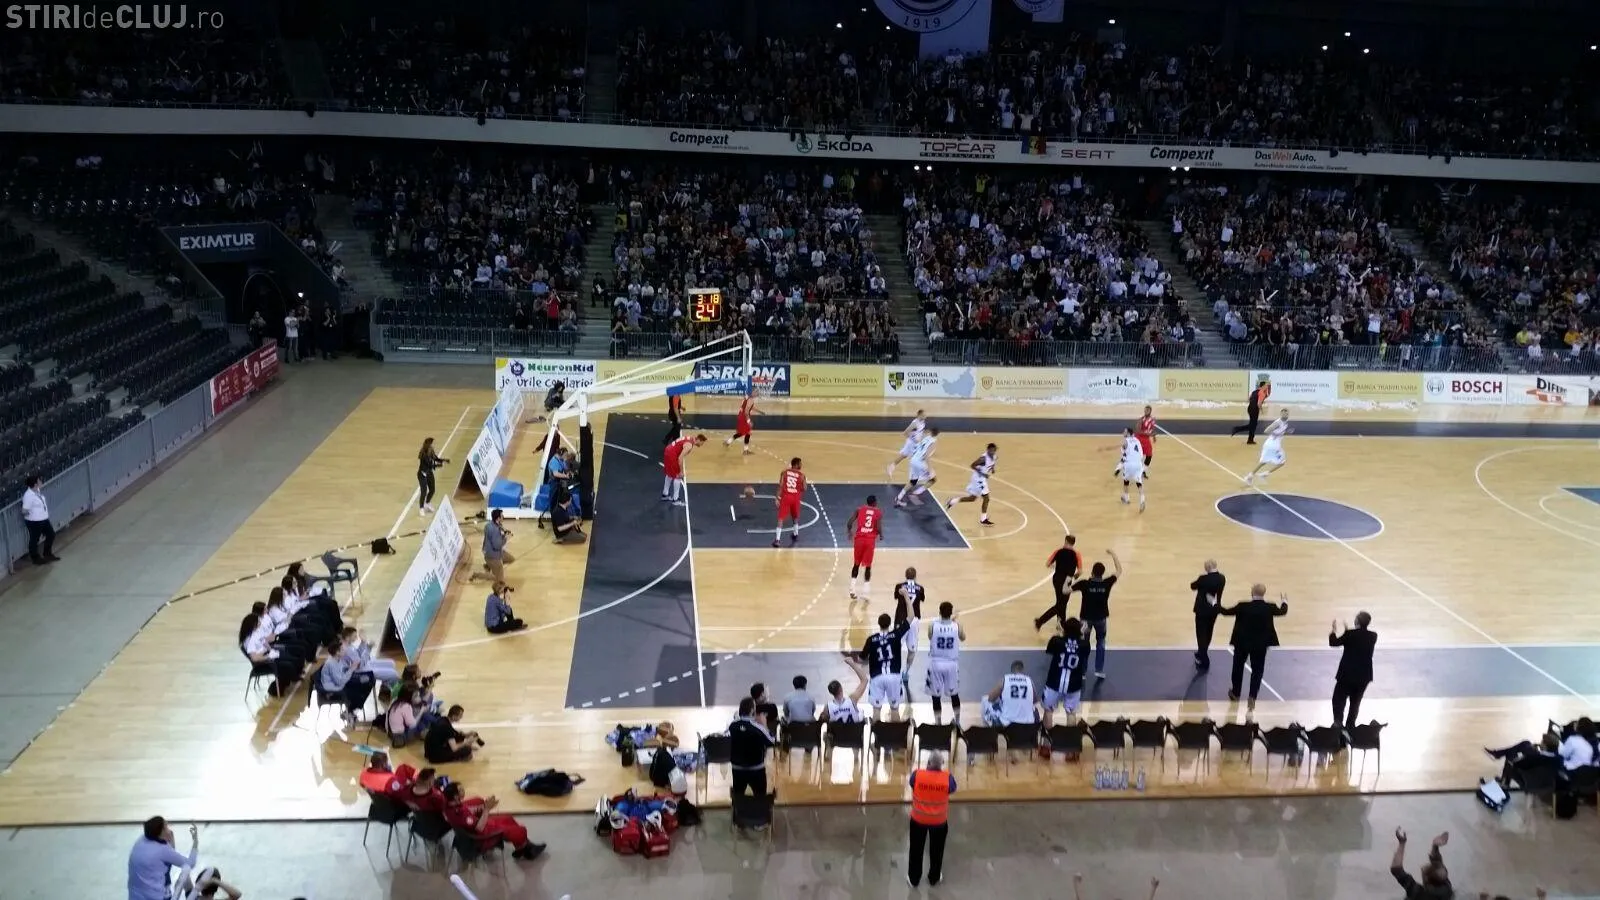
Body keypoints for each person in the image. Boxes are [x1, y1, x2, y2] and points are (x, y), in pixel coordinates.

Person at [1215, 584, 1289, 707]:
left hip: (1241, 643)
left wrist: (1214, 603)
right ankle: (1252, 697)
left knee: (1237, 668)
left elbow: (1226, 612)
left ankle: (1235, 693)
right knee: (1257, 671)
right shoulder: (1269, 607)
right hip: (1260, 645)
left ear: (1252, 592)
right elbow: (1283, 611)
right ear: (1263, 593)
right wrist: (1284, 601)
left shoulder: (1242, 606)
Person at [441, 781, 547, 860]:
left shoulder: (449, 806)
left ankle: (522, 847)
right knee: (520, 830)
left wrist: (482, 807)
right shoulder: (460, 814)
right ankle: (527, 850)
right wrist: (487, 809)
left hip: (474, 829)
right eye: (460, 790)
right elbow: (479, 828)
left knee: (507, 818)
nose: (463, 790)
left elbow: (466, 810)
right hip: (481, 837)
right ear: (455, 796)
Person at [1066, 549, 1122, 680]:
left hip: (1085, 619)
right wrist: (1114, 555)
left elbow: (1065, 591)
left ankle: (1082, 672)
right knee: (1101, 643)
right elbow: (1119, 570)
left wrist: (1068, 580)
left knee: (1083, 643)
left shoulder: (1084, 583)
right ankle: (1099, 670)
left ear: (1092, 572)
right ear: (1102, 573)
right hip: (1101, 619)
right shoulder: (1107, 583)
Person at [906, 751, 956, 888]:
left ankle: (914, 879)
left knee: (916, 849)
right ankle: (934, 877)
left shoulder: (917, 775)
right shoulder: (948, 778)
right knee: (937, 850)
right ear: (941, 765)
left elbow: (911, 783)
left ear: (928, 763)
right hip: (939, 822)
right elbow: (952, 789)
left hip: (918, 820)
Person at [127, 816, 198, 900]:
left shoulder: (141, 840)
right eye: (166, 827)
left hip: (134, 896)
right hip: (156, 897)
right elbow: (190, 864)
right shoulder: (162, 850)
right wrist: (195, 841)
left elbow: (168, 857)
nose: (169, 830)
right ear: (161, 832)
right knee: (186, 873)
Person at [1329, 612, 1377, 728]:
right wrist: (1347, 632)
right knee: (1355, 703)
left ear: (1357, 621)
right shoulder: (1373, 636)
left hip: (1347, 675)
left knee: (1338, 700)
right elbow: (1357, 640)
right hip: (1364, 676)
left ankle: (1338, 723)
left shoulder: (1350, 634)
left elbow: (1333, 643)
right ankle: (1350, 726)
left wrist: (1333, 631)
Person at [1042, 618, 1091, 728]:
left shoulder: (1056, 641)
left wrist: (1060, 632)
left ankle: (1047, 736)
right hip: (1074, 684)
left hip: (1054, 682)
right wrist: (1081, 634)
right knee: (1071, 712)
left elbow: (1049, 650)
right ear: (1079, 630)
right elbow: (1084, 651)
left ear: (1064, 629)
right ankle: (1070, 736)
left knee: (1049, 711)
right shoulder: (1084, 644)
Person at [861, 612, 912, 717]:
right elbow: (911, 617)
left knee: (876, 710)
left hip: (877, 677)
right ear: (890, 624)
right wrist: (907, 600)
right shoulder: (896, 635)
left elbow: (862, 659)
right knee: (895, 710)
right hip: (894, 676)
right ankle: (895, 728)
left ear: (878, 623)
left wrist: (869, 660)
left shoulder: (871, 639)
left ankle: (876, 728)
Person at [317, 637, 376, 723]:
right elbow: (340, 681)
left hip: (342, 682)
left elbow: (344, 672)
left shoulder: (338, 660)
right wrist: (352, 669)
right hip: (335, 688)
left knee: (369, 680)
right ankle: (350, 710)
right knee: (364, 685)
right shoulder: (331, 664)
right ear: (337, 652)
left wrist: (351, 669)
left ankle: (351, 710)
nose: (345, 650)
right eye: (342, 649)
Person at [727, 696, 776, 801]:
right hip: (756, 769)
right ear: (752, 710)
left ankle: (738, 809)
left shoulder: (732, 726)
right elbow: (772, 742)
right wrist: (764, 724)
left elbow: (725, 739)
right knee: (760, 797)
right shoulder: (758, 728)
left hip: (737, 769)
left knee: (738, 797)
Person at [925, 601, 964, 722]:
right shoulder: (957, 626)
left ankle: (938, 723)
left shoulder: (932, 625)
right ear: (951, 613)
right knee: (954, 695)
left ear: (939, 612)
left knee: (936, 696)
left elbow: (930, 637)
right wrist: (953, 621)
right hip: (951, 664)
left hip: (936, 664)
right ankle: (957, 721)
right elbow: (963, 637)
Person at [1034, 534, 1081, 631]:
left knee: (1061, 602)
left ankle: (1061, 624)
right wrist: (1075, 576)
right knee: (1061, 604)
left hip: (1057, 579)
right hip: (1067, 581)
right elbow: (1080, 571)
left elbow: (1048, 564)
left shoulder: (1058, 551)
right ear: (1073, 543)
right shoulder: (1077, 554)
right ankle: (1041, 621)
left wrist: (1058, 567)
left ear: (1066, 541)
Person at [1390, 828, 1453, 899]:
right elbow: (1438, 867)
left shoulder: (1419, 894)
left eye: (1423, 871)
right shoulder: (1447, 890)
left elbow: (1396, 869)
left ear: (1426, 879)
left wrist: (1402, 843)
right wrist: (1435, 847)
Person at [892, 567, 926, 698]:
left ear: (905, 575)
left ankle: (895, 671)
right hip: (914, 621)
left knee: (896, 646)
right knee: (912, 649)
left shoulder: (899, 586)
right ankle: (906, 672)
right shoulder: (920, 588)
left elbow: (896, 597)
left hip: (901, 619)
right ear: (915, 576)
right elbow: (922, 599)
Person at [945, 442, 997, 526]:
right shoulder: (983, 459)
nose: (992, 452)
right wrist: (983, 474)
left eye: (994, 450)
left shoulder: (994, 456)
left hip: (981, 479)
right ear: (987, 450)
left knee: (972, 498)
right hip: (978, 479)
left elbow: (992, 463)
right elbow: (972, 465)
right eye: (991, 450)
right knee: (986, 498)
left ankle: (952, 501)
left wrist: (993, 469)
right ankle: (983, 519)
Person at [846, 494, 885, 601]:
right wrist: (881, 535)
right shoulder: (877, 512)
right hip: (869, 541)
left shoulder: (859, 510)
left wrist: (849, 532)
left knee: (856, 564)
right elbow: (878, 527)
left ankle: (852, 589)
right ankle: (866, 593)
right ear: (874, 503)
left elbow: (849, 523)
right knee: (868, 566)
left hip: (859, 540)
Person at [1190, 560, 1226, 671]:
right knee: (1209, 631)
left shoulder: (1203, 579)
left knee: (1201, 634)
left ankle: (1204, 659)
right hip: (1214, 609)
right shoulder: (1222, 578)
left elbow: (1193, 586)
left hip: (1202, 610)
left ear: (1208, 567)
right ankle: (1202, 652)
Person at [986, 659, 1040, 727]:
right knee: (1035, 709)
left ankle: (992, 729)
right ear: (1022, 670)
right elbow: (1035, 700)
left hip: (1007, 722)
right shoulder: (1029, 680)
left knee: (986, 703)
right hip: (1028, 722)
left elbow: (991, 699)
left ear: (1012, 670)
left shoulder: (1005, 679)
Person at [895, 427, 940, 508]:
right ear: (937, 434)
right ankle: (915, 493)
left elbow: (918, 446)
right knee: (933, 479)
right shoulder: (934, 441)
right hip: (920, 462)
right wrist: (930, 470)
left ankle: (899, 497)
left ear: (930, 432)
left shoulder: (925, 438)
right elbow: (926, 456)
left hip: (913, 460)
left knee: (913, 481)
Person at [1245, 411, 1292, 485]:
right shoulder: (1277, 423)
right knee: (1282, 462)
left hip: (1270, 445)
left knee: (1263, 462)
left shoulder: (1285, 423)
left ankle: (1250, 476)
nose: (1285, 415)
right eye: (1283, 413)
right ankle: (1265, 474)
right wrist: (1277, 434)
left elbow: (1280, 432)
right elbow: (1266, 431)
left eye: (1286, 414)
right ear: (1280, 414)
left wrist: (1286, 432)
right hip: (1273, 445)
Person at [661, 433, 707, 505]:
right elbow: (680, 458)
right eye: (702, 443)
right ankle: (675, 500)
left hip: (668, 450)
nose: (701, 445)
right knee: (678, 477)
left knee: (669, 474)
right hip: (672, 455)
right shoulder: (689, 445)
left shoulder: (689, 438)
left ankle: (665, 494)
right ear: (699, 440)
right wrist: (681, 471)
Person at [21, 474, 57, 565]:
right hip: (34, 522)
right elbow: (24, 511)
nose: (41, 482)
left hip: (43, 519)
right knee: (34, 539)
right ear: (35, 484)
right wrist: (33, 514)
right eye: (39, 481)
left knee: (51, 534)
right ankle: (35, 558)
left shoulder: (37, 491)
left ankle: (47, 554)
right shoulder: (28, 496)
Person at [470, 510, 514, 582]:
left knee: (511, 559)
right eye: (502, 516)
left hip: (495, 551)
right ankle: (476, 575)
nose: (503, 517)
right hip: (492, 555)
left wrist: (504, 533)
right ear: (498, 518)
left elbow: (498, 532)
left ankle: (488, 566)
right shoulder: (494, 530)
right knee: (499, 580)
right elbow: (497, 546)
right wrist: (506, 538)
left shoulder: (491, 524)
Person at [822, 656, 868, 723]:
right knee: (861, 712)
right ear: (841, 688)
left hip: (838, 730)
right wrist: (851, 663)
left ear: (831, 692)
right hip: (854, 729)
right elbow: (864, 680)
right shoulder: (852, 700)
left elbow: (823, 721)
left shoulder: (827, 707)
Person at [773, 457, 806, 548]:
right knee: (795, 516)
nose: (801, 465)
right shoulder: (802, 475)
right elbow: (804, 488)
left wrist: (777, 498)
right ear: (796, 464)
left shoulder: (784, 472)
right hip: (795, 498)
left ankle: (777, 540)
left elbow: (781, 486)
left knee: (781, 518)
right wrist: (799, 486)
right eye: (800, 463)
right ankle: (796, 534)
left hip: (786, 497)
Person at [887, 410, 928, 479]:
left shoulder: (923, 422)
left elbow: (920, 431)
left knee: (903, 456)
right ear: (919, 415)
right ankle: (918, 475)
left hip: (915, 443)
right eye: (923, 415)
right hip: (911, 443)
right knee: (917, 458)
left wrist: (922, 438)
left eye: (925, 415)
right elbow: (905, 433)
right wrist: (914, 439)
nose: (925, 416)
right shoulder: (915, 423)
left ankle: (891, 466)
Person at [1230, 377, 1271, 443]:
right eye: (1266, 385)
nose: (1267, 387)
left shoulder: (1254, 391)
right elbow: (1259, 403)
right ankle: (1237, 429)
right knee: (1253, 425)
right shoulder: (1262, 393)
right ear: (1263, 386)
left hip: (1250, 408)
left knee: (1253, 424)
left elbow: (1249, 399)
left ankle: (1250, 440)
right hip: (1254, 409)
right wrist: (1261, 410)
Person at [1117, 428, 1146, 511]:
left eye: (1125, 432)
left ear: (1128, 434)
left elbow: (1124, 456)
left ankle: (1126, 498)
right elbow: (1140, 453)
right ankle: (1142, 500)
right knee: (1139, 483)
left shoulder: (1126, 441)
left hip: (1129, 464)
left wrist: (1118, 469)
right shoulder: (1137, 440)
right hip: (1139, 464)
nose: (1123, 432)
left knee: (1126, 481)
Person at [417, 437, 448, 516]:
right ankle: (421, 508)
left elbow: (436, 458)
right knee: (424, 491)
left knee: (432, 490)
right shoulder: (423, 454)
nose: (431, 445)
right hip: (422, 474)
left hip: (429, 473)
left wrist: (444, 460)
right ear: (427, 445)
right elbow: (429, 465)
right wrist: (439, 465)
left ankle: (427, 503)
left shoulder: (431, 450)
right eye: (430, 444)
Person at [723, 388, 758, 454]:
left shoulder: (747, 397)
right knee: (748, 433)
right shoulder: (751, 400)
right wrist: (749, 421)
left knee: (741, 433)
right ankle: (745, 450)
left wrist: (759, 411)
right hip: (744, 417)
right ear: (752, 392)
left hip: (741, 416)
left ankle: (728, 442)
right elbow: (746, 411)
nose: (757, 393)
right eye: (755, 391)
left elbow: (748, 407)